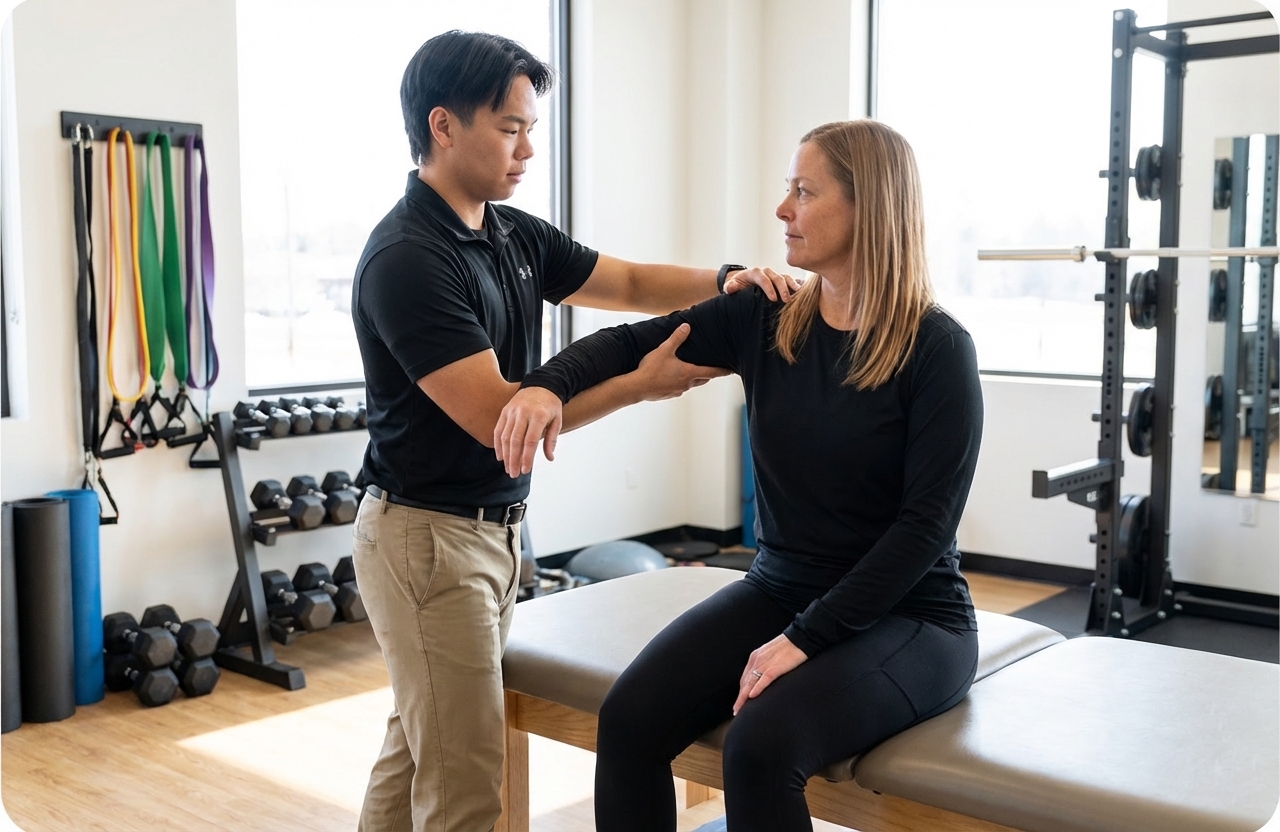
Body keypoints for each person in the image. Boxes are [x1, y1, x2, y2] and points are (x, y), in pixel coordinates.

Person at [349, 30, 796, 832]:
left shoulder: (510, 233)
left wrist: (728, 278)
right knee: (465, 783)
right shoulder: (409, 258)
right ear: (444, 126)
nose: (527, 149)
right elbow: (501, 422)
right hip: (428, 541)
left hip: (487, 531)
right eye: (510, 128)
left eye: (532, 128)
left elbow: (623, 280)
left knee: (422, 750)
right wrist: (642, 387)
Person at [495, 119, 984, 832]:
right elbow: (631, 342)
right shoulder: (769, 316)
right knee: (629, 721)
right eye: (788, 189)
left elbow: (924, 530)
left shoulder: (938, 349)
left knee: (759, 748)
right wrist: (543, 386)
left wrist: (805, 638)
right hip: (782, 585)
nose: (783, 209)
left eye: (803, 191)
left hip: (912, 616)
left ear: (868, 207)